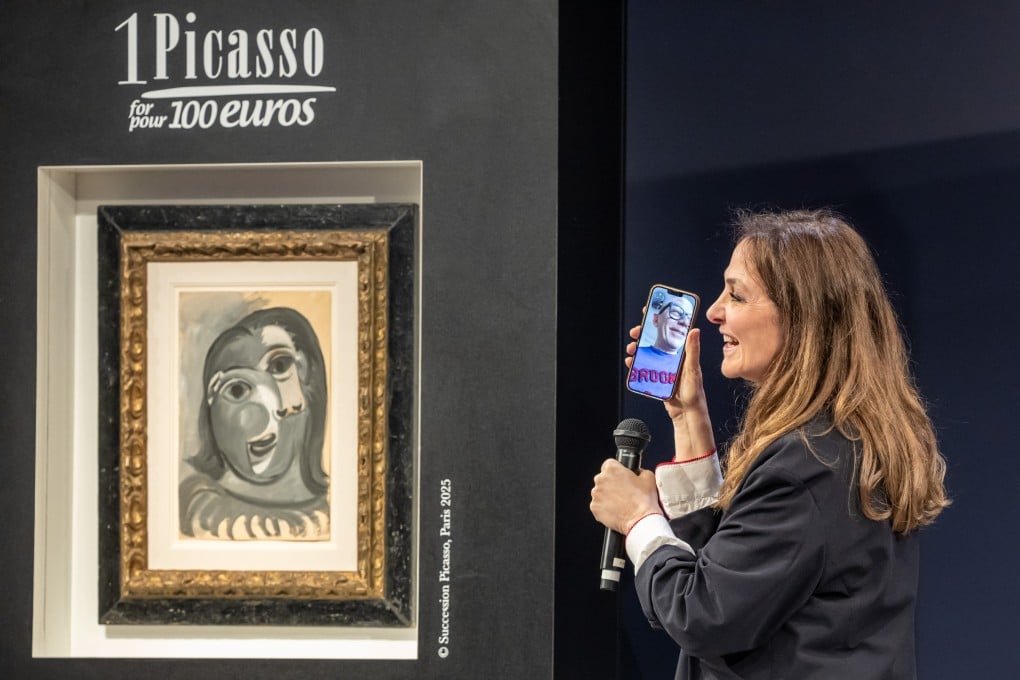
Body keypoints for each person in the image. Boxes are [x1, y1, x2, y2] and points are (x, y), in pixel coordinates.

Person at [590, 209, 949, 679]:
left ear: (802, 317)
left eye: (736, 294)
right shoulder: (840, 442)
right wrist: (689, 418)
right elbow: (733, 576)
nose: (715, 311)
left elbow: (702, 613)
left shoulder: (807, 464)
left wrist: (639, 519)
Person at [180, 307, 331, 540]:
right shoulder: (194, 509)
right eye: (238, 388)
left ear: (308, 373)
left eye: (279, 367)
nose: (260, 404)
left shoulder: (340, 520)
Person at [628, 293, 694, 399]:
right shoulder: (634, 354)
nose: (684, 322)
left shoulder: (688, 368)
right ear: (656, 319)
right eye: (676, 312)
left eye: (690, 319)